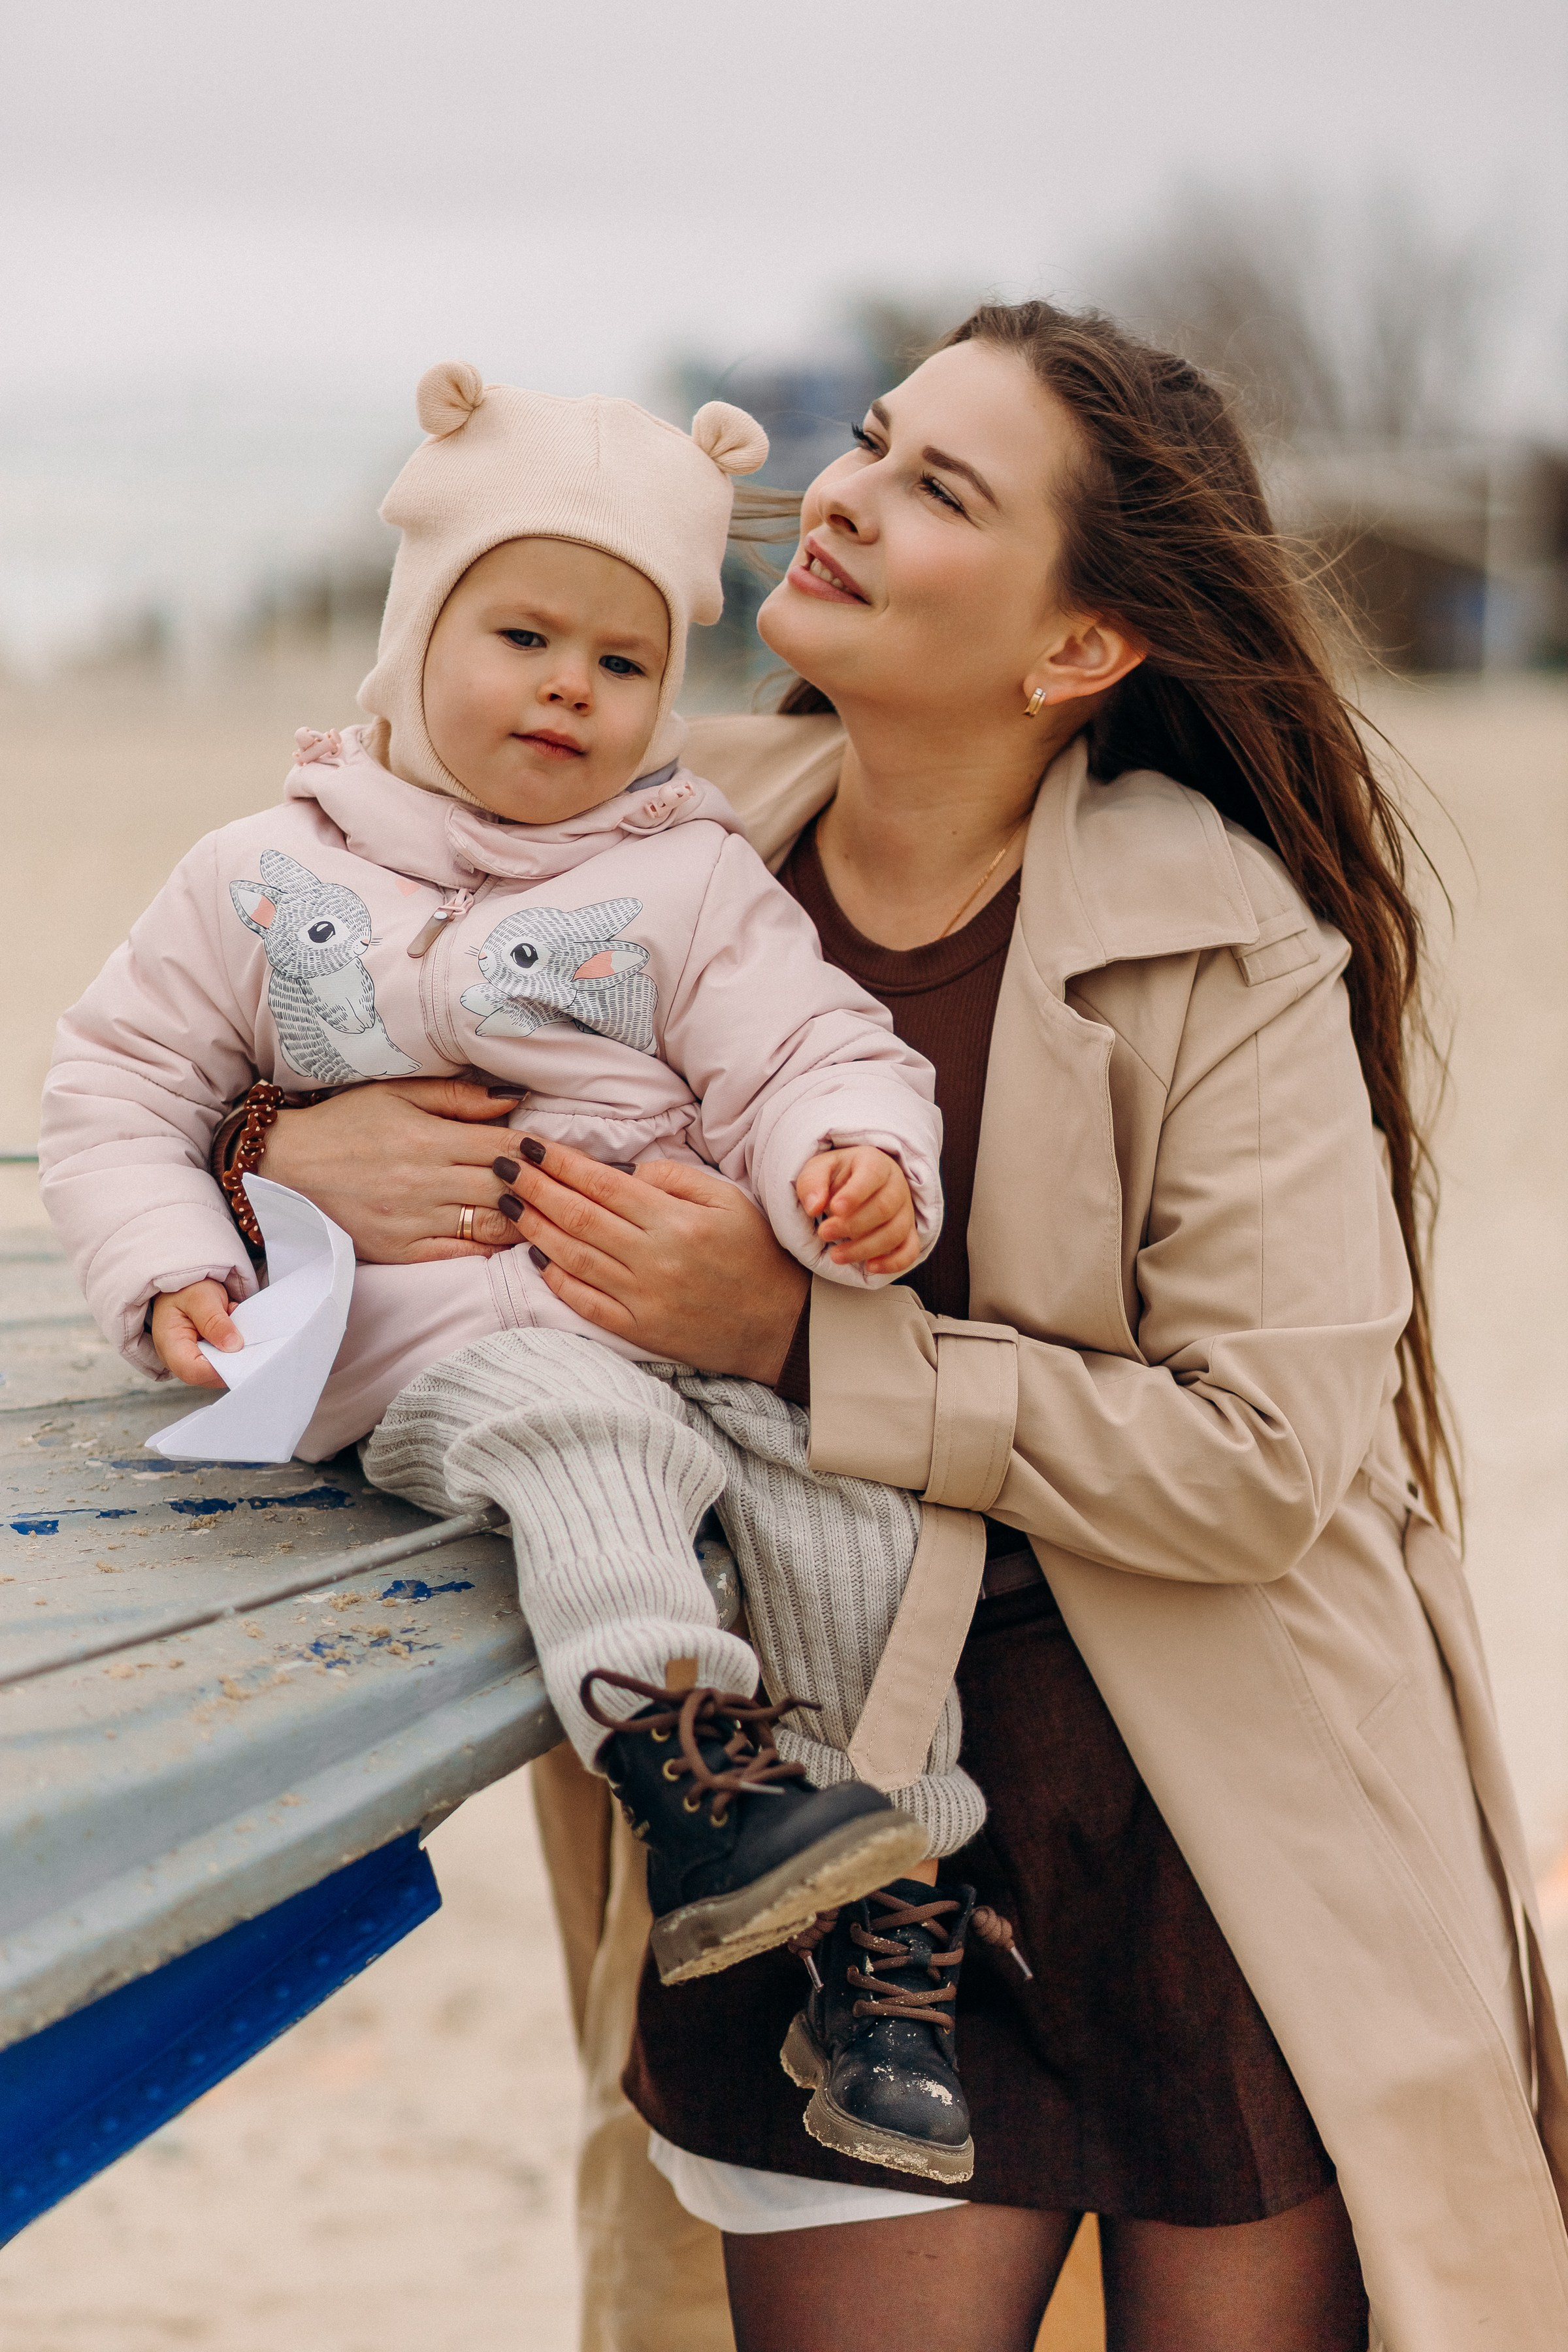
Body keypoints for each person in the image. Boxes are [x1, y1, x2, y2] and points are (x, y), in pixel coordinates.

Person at [184, 301, 1568, 2352]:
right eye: (876, 438)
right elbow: (240, 989)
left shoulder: (1227, 939)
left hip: (1216, 1830)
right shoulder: (642, 846)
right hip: (820, 1830)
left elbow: (1264, 1468)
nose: (839, 490)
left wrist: (812, 1348)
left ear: (1077, 647)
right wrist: (282, 1158)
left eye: (940, 487)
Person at [37, 363, 1028, 2131]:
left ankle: (880, 1925)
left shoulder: (689, 879)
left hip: (675, 1318)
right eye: (520, 634)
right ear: (417, 635)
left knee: (846, 1512)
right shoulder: (262, 877)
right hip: (424, 1352)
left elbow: (813, 1045)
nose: (569, 684)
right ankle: (687, 1772)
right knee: (592, 1438)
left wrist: (851, 1162)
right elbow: (117, 1086)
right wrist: (177, 1265)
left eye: (624, 660)